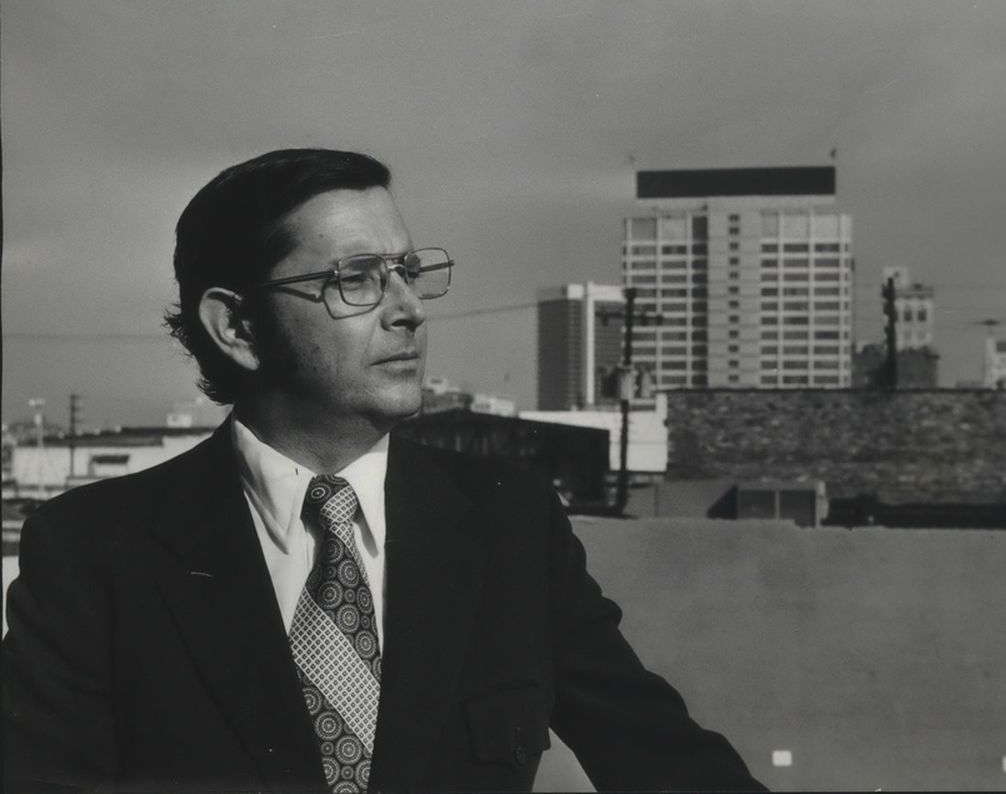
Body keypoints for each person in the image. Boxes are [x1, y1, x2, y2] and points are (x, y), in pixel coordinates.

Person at [2, 149, 763, 793]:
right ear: (235, 327)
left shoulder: (510, 522)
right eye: (358, 278)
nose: (410, 310)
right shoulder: (93, 550)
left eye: (407, 270)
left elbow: (667, 760)